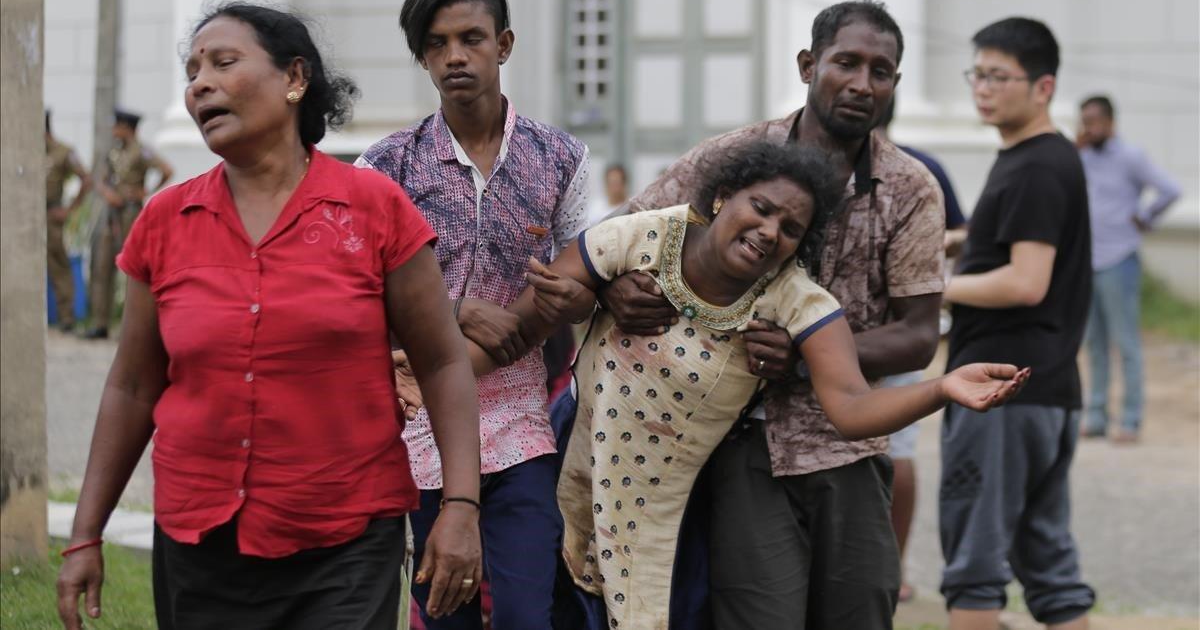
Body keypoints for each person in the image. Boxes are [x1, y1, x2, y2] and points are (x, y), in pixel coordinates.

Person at [395, 140, 1028, 629]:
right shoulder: (640, 238)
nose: (770, 230)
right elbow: (524, 328)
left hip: (667, 524)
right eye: (762, 207)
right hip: (572, 480)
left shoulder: (796, 301)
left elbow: (852, 406)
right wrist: (420, 369)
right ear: (723, 196)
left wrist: (942, 389)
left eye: (791, 228)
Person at [55, 2, 483, 630]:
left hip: (345, 540)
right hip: (198, 543)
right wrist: (85, 534)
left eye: (223, 63)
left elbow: (444, 363)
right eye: (192, 69)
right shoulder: (164, 222)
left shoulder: (374, 209)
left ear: (295, 79)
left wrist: (460, 505)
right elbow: (133, 384)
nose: (199, 82)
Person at [600, 0, 947, 629]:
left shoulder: (910, 187)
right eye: (846, 62)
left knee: (860, 614)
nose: (862, 84)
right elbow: (621, 239)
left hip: (850, 444)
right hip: (738, 441)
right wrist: (616, 289)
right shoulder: (734, 156)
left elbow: (919, 336)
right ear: (809, 65)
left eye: (881, 71)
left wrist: (810, 356)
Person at [356, 0, 593, 629]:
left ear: (505, 44)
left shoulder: (561, 157)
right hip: (420, 426)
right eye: (437, 44)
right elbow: (358, 288)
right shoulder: (387, 166)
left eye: (471, 38)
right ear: (424, 56)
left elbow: (583, 280)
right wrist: (456, 311)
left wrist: (553, 302)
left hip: (523, 426)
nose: (455, 56)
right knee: (444, 611)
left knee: (527, 614)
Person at [942, 17, 1096, 630]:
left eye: (999, 76)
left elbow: (1026, 279)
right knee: (1053, 577)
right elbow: (999, 246)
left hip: (998, 391)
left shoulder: (1035, 167)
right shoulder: (1039, 160)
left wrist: (937, 290)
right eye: (977, 73)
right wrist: (957, 241)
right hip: (1048, 392)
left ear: (1043, 87)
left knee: (973, 578)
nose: (983, 87)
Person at [875, 97, 969, 603]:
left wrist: (930, 243)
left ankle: (896, 566)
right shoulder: (818, 165)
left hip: (900, 332)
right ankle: (887, 569)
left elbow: (964, 232)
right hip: (862, 335)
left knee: (899, 452)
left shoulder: (921, 170)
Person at [1076, 94, 1180, 443]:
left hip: (1119, 260)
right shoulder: (1082, 155)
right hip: (1087, 261)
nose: (1089, 128)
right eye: (1084, 121)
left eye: (1094, 122)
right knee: (1094, 343)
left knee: (1126, 343)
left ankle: (1131, 420)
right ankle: (1096, 416)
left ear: (1110, 122)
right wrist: (1074, 149)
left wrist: (1147, 218)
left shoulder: (1131, 156)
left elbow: (1170, 189)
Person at [84, 108, 173, 339]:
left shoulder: (141, 152)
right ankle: (100, 323)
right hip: (111, 214)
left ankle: (131, 326)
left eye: (117, 126)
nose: (114, 130)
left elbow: (166, 170)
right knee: (103, 265)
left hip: (131, 213)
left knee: (134, 268)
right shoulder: (113, 151)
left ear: (127, 128)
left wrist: (146, 192)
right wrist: (106, 193)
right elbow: (100, 179)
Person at [45, 110, 94, 332]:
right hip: (26, 216)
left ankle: (66, 317)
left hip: (51, 215)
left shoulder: (63, 152)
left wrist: (70, 209)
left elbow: (86, 179)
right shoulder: (25, 150)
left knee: (59, 267)